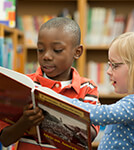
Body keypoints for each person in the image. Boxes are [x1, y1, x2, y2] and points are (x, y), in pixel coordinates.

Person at [0, 17, 100, 150]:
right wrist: (24, 122)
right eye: (40, 50)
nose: (46, 56)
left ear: (77, 52)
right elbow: (5, 140)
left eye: (57, 50)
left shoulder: (87, 89)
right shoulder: (24, 85)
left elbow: (90, 136)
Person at [62, 32, 134, 149]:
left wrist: (59, 100)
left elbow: (100, 114)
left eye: (115, 65)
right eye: (109, 64)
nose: (108, 71)